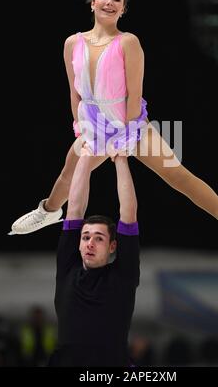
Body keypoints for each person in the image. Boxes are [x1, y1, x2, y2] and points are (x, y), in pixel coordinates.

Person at [10, 0, 218, 252]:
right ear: (92, 3)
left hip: (128, 122)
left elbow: (134, 91)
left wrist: (127, 134)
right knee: (66, 176)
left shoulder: (128, 42)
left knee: (176, 173)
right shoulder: (72, 43)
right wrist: (81, 128)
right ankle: (48, 212)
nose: (110, 2)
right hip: (93, 124)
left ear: (123, 9)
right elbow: (75, 92)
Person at [48, 150, 140, 367]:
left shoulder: (123, 275)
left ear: (112, 246)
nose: (89, 243)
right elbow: (75, 207)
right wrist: (87, 151)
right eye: (86, 237)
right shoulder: (67, 269)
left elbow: (129, 213)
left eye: (98, 239)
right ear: (78, 243)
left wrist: (120, 157)